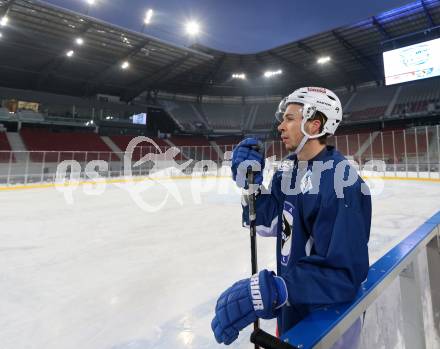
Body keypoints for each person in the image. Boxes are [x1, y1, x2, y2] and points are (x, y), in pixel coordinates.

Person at [211, 87, 371, 345]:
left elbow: (344, 274)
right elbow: (270, 222)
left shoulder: (342, 184)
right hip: (293, 309)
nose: (280, 127)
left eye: (290, 118)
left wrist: (278, 289)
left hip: (326, 318)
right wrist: (250, 186)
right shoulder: (288, 169)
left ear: (315, 124)